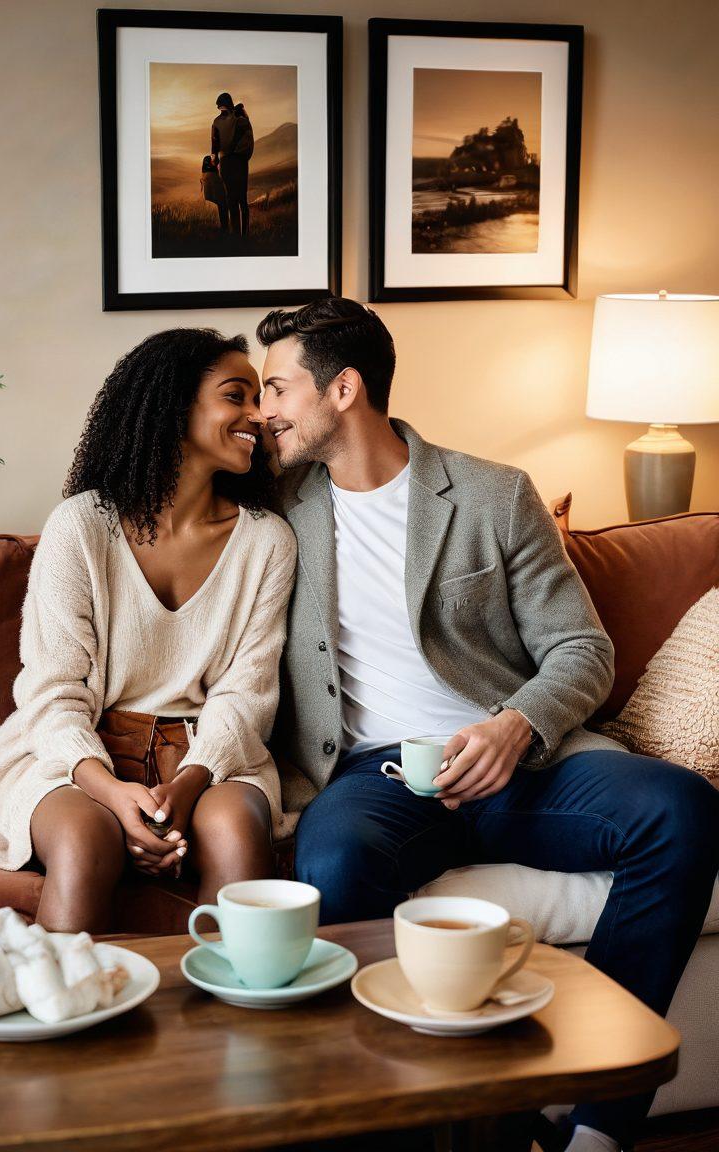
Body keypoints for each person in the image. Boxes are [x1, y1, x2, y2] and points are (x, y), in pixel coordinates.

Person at [256, 296, 719, 1152]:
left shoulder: (492, 494)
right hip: (375, 778)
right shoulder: (275, 510)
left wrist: (514, 727)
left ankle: (597, 1121)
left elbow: (583, 648)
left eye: (278, 388)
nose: (264, 409)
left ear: (345, 388)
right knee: (334, 859)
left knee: (682, 811)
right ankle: (468, 1120)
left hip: (525, 763)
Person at [0, 328, 296, 934]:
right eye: (237, 396)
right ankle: (64, 1015)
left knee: (236, 833)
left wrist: (190, 783)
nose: (260, 415)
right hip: (75, 757)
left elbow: (247, 695)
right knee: (85, 842)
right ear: (175, 406)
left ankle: (229, 1020)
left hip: (209, 756)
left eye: (260, 398)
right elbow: (52, 693)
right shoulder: (81, 528)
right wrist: (114, 794)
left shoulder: (266, 542)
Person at [211, 92, 251, 239]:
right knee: (240, 199)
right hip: (238, 161)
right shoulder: (240, 118)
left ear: (221, 105)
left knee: (233, 199)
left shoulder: (217, 122)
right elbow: (247, 135)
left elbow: (214, 145)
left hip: (228, 162)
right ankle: (243, 235)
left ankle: (237, 235)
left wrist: (215, 161)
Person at [200, 154, 227, 233]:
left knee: (221, 207)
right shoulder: (214, 175)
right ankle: (225, 227)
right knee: (223, 206)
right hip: (217, 195)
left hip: (211, 196)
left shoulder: (204, 174)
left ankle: (224, 227)